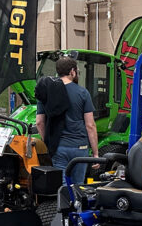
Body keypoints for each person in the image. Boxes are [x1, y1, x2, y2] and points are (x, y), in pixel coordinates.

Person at [34, 56, 98, 184]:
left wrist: (48, 141)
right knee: (77, 186)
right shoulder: (83, 93)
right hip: (80, 147)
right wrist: (95, 154)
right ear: (72, 72)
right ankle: (76, 204)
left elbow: (39, 122)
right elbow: (90, 125)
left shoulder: (47, 91)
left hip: (59, 147)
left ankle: (63, 204)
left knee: (62, 186)